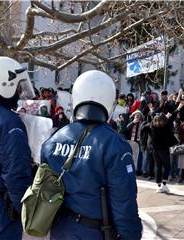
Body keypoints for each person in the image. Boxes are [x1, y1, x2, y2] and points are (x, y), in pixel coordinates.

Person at [40, 70, 142, 240]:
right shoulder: (114, 144)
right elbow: (124, 202)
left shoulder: (53, 139)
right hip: (94, 231)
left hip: (59, 228)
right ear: (109, 102)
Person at [0, 56, 35, 239]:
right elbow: (15, 175)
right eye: (18, 87)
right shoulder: (10, 122)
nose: (20, 93)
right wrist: (27, 212)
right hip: (1, 209)